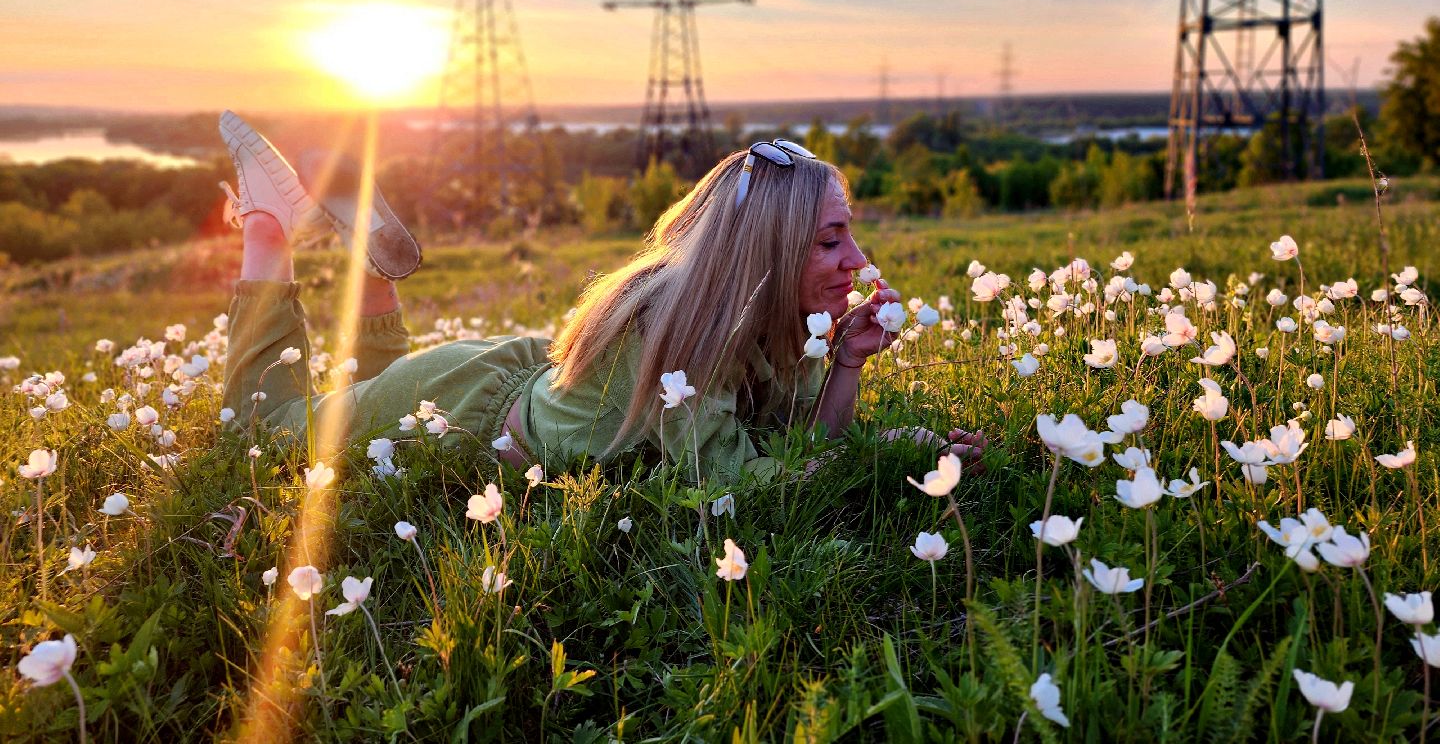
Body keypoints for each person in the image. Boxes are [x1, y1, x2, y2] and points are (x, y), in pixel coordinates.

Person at [218, 111, 986, 481]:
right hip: (462, 410)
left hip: (509, 376)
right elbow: (736, 482)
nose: (857, 259)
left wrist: (846, 365)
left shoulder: (758, 315)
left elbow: (788, 439)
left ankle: (371, 270)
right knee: (265, 426)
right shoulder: (686, 333)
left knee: (362, 397)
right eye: (828, 241)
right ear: (768, 252)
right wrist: (884, 468)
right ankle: (266, 227)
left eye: (849, 234)